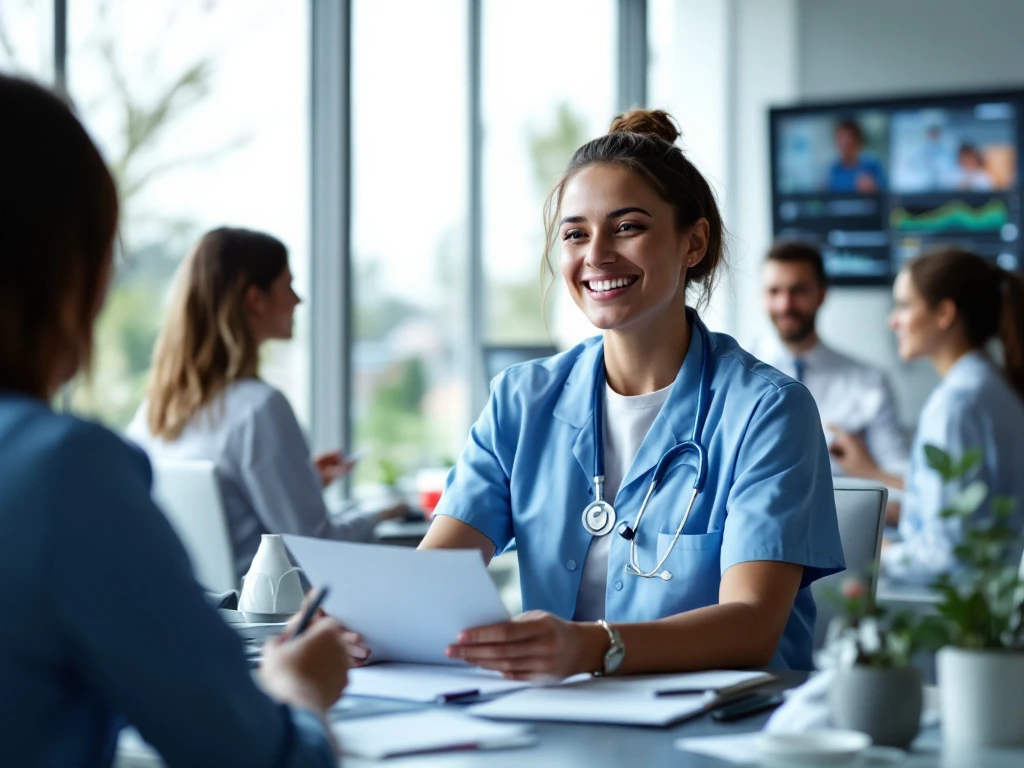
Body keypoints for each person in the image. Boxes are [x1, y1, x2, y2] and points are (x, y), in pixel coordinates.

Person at [415, 109, 845, 677]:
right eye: (575, 234)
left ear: (693, 243)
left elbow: (751, 624)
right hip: (561, 721)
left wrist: (590, 648)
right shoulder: (521, 401)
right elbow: (431, 580)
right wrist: (362, 624)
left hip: (723, 733)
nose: (596, 254)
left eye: (627, 227)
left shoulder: (767, 410)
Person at [0, 74, 350, 767]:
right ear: (79, 271)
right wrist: (296, 694)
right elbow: (260, 757)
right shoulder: (63, 472)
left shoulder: (141, 416)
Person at [127, 227, 406, 582]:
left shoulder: (154, 411)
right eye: (287, 285)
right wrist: (380, 513)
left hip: (212, 610)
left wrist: (304, 483)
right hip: (276, 616)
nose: (297, 300)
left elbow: (225, 517)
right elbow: (316, 547)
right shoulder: (259, 409)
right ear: (255, 299)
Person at [832, 247, 1024, 581]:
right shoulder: (994, 386)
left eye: (904, 306)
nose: (893, 320)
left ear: (944, 314)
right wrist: (873, 472)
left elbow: (943, 554)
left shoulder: (956, 406)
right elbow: (962, 501)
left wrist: (873, 551)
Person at [749, 240, 909, 491]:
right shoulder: (735, 376)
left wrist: (867, 471)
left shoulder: (868, 382)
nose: (785, 305)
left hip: (842, 522)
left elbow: (903, 486)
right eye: (774, 292)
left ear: (822, 294)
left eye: (798, 290)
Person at [826, 118, 885, 193]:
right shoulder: (833, 169)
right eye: (839, 140)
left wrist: (873, 188)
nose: (842, 146)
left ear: (857, 141)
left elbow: (886, 193)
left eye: (847, 140)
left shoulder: (872, 166)